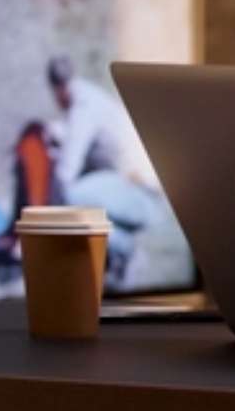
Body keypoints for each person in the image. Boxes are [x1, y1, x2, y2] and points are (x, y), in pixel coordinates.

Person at [47, 55, 162, 285]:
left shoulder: (84, 106)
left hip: (144, 198)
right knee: (77, 195)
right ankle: (115, 260)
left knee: (72, 196)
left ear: (57, 89)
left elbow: (66, 172)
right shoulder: (87, 97)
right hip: (131, 192)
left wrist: (47, 212)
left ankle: (127, 251)